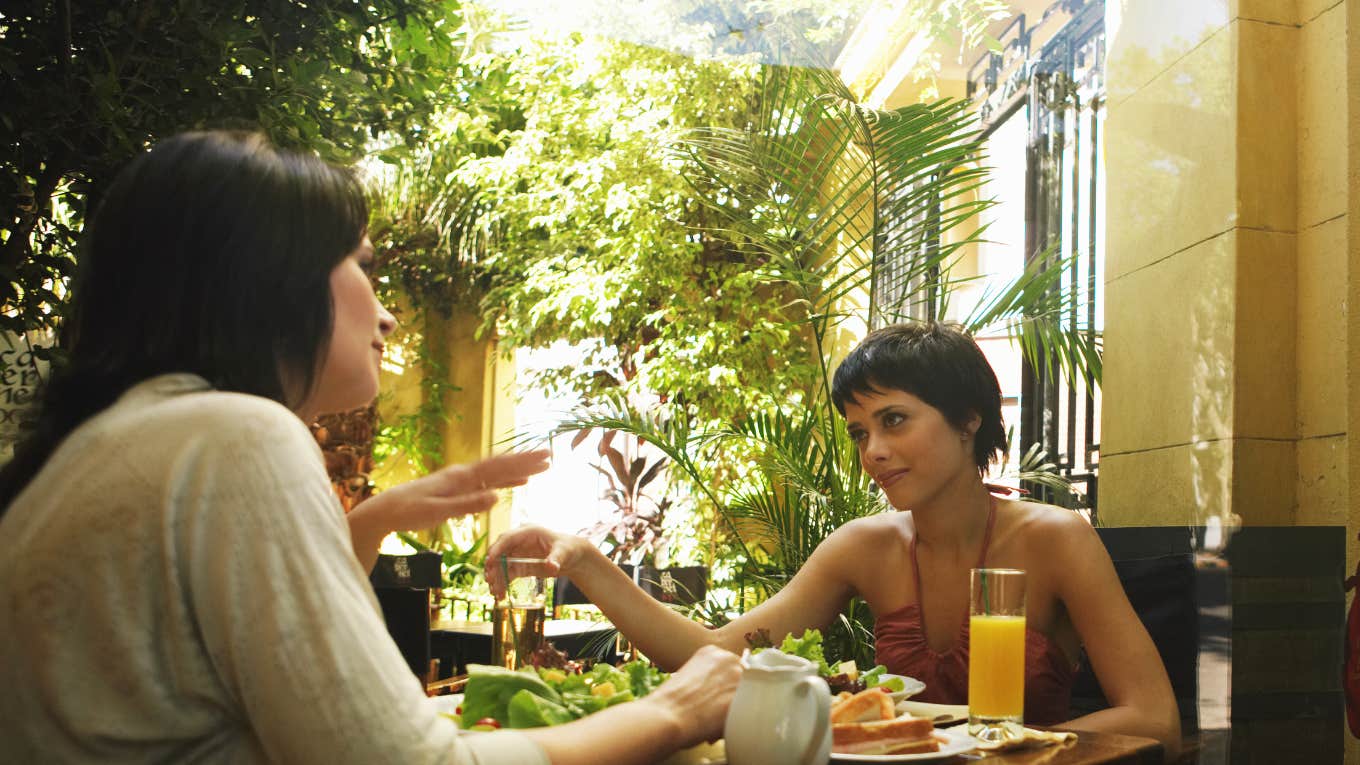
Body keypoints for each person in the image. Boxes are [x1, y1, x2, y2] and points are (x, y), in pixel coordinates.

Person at [0, 130, 741, 765]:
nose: (385, 313)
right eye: (362, 265)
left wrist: (369, 521)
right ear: (269, 284)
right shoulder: (235, 435)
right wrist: (673, 709)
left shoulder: (114, 438)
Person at [489, 322, 1182, 759]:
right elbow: (715, 656)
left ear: (970, 419)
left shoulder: (1055, 539)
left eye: (896, 419)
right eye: (860, 432)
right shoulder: (864, 546)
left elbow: (1155, 716)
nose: (874, 450)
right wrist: (584, 560)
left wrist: (1010, 747)